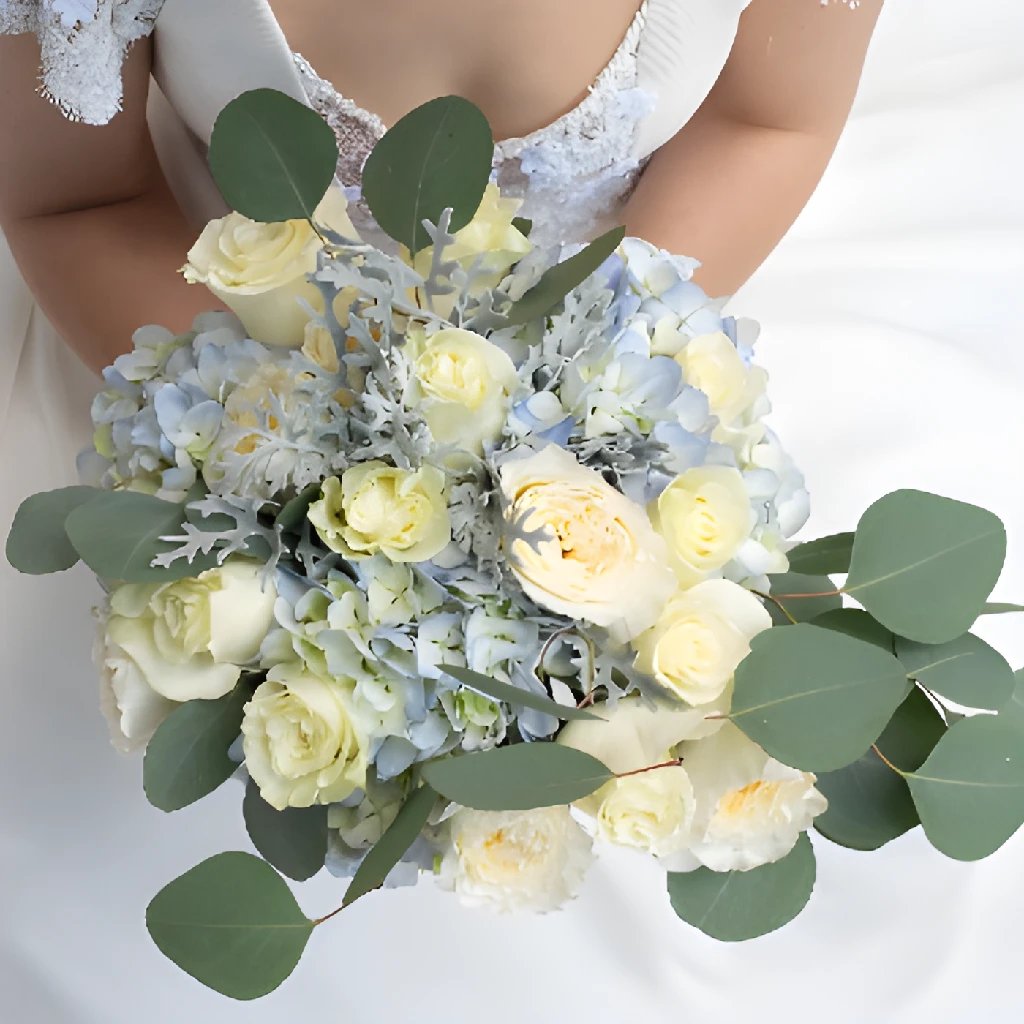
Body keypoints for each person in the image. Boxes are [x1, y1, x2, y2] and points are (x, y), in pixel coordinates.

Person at [3, 2, 1021, 1022]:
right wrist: (312, 465)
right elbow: (77, 199)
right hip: (220, 329)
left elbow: (767, 119)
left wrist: (585, 390)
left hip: (666, 283)